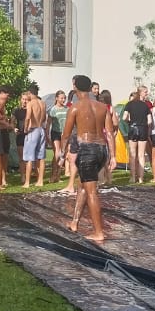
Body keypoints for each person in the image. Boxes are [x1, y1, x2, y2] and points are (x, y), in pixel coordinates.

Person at [60, 75, 115, 242]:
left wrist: (61, 154)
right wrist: (112, 156)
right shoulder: (103, 107)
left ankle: (99, 232)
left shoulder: (75, 108)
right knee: (83, 185)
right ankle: (75, 222)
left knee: (91, 191)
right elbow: (110, 133)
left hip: (87, 150)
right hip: (101, 150)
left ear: (75, 87)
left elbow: (66, 135)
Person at [20, 83, 48, 187]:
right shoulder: (43, 103)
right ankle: (40, 181)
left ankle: (27, 182)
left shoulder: (31, 103)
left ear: (30, 93)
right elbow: (44, 118)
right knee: (41, 157)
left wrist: (25, 129)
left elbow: (28, 117)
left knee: (29, 157)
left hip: (33, 129)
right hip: (41, 129)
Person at [122, 85, 151, 183]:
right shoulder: (145, 105)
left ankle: (132, 177)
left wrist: (129, 121)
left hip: (133, 128)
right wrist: (143, 124)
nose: (147, 94)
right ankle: (141, 178)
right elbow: (150, 121)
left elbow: (124, 117)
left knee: (132, 154)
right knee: (141, 155)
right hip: (143, 129)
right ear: (140, 93)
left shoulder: (129, 104)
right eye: (145, 92)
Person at [48, 89, 69, 183]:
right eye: (61, 98)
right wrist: (47, 134)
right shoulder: (53, 109)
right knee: (57, 153)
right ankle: (53, 175)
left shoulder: (67, 109)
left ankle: (58, 176)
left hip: (64, 133)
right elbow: (48, 123)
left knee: (62, 154)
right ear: (56, 98)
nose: (63, 100)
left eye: (64, 98)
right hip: (55, 132)